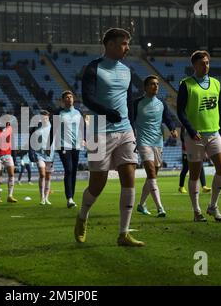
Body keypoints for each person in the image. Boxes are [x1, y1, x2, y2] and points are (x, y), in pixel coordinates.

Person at [74, 28, 144, 247]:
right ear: (111, 44)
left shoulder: (127, 70)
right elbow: (87, 98)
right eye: (123, 43)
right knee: (98, 183)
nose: (127, 48)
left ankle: (123, 233)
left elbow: (130, 100)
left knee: (129, 177)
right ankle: (83, 216)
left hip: (125, 131)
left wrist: (133, 126)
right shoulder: (93, 68)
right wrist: (106, 112)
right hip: (99, 130)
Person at [177, 50, 221, 222]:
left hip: (214, 133)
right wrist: (192, 131)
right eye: (202, 63)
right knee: (194, 175)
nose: (205, 66)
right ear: (194, 65)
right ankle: (197, 211)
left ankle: (213, 206)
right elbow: (180, 112)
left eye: (207, 62)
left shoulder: (216, 83)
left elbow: (220, 110)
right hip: (195, 136)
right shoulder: (186, 84)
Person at [133, 75, 178, 217]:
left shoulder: (161, 104)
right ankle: (160, 208)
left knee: (152, 176)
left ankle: (141, 205)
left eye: (157, 84)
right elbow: (129, 120)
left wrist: (172, 128)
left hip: (158, 142)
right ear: (145, 87)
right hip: (143, 142)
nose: (156, 86)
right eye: (152, 84)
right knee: (151, 174)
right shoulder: (137, 103)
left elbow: (168, 118)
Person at [51, 91, 85, 208]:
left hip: (76, 146)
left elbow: (82, 127)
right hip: (63, 145)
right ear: (63, 100)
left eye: (71, 97)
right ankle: (69, 198)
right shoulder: (58, 113)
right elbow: (53, 130)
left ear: (73, 99)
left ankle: (71, 198)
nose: (69, 99)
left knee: (74, 171)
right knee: (69, 169)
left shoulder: (78, 113)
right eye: (67, 97)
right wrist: (48, 145)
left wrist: (84, 138)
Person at [29, 110, 55, 205]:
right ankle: (42, 198)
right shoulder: (36, 127)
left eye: (45, 116)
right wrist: (31, 152)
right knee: (42, 174)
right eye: (42, 116)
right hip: (39, 153)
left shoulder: (53, 126)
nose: (44, 118)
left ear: (48, 116)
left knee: (48, 176)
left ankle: (47, 198)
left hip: (50, 154)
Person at [178, 126, 211, 194]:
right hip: (186, 151)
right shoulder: (184, 126)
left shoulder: (196, 124)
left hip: (196, 149)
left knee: (201, 167)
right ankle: (181, 187)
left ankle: (204, 186)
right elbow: (182, 138)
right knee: (185, 168)